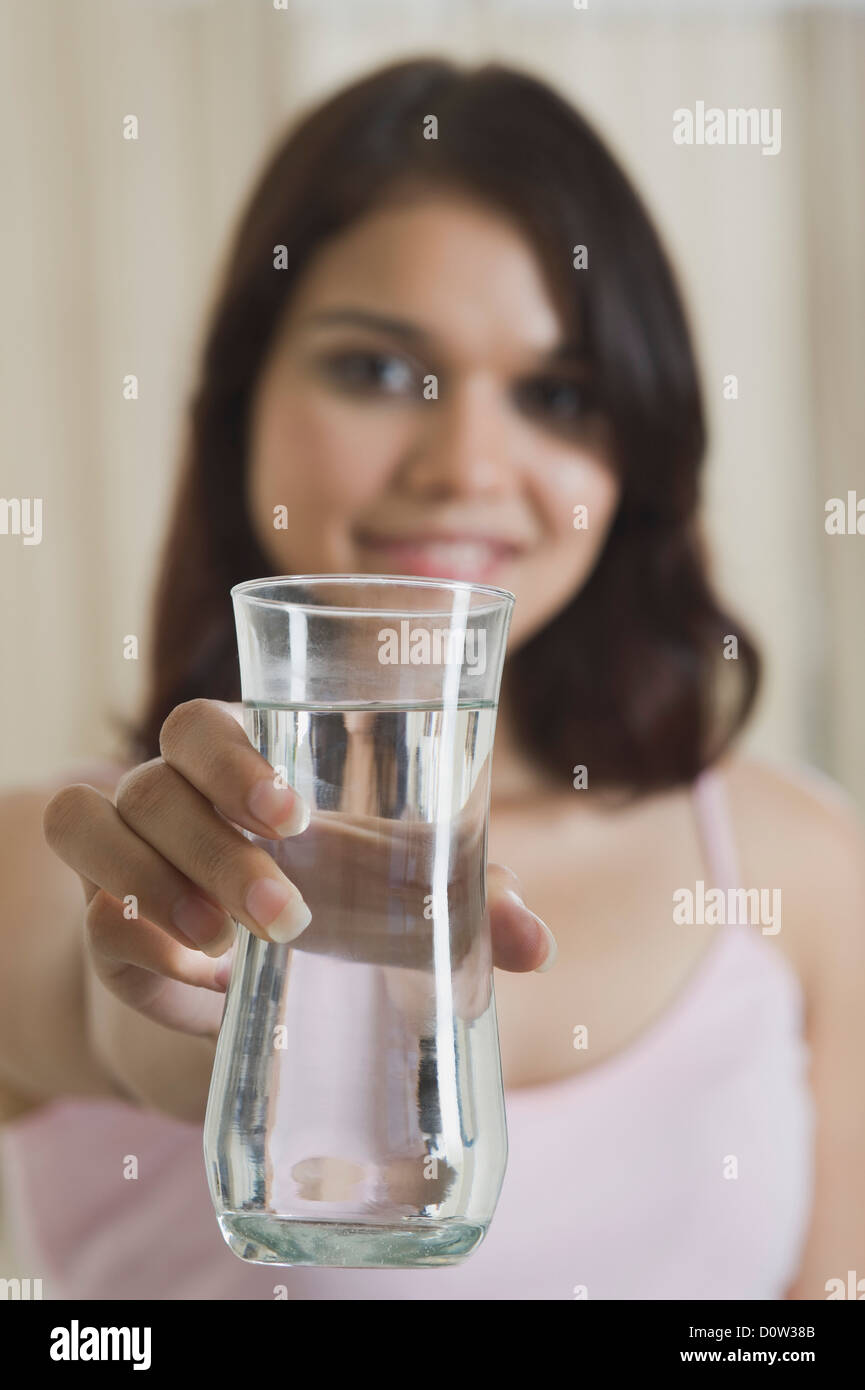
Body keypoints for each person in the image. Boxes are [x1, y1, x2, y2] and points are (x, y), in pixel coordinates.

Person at [1, 57, 863, 1301]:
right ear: (241, 404)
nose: (466, 463)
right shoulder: (68, 859)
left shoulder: (797, 867)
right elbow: (110, 1012)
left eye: (556, 393)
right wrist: (205, 1000)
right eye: (376, 370)